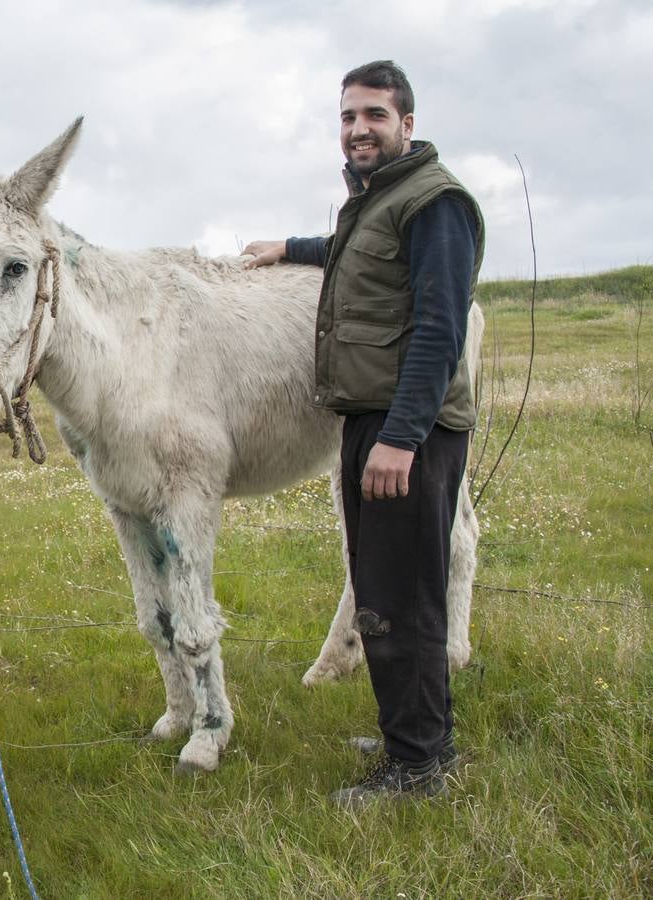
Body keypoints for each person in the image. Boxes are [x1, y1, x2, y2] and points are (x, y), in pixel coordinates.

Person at [243, 60, 484, 806]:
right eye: (348, 117)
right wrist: (288, 247)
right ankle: (415, 734)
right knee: (385, 586)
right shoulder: (377, 203)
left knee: (405, 594)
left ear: (407, 124)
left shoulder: (435, 203)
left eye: (375, 115)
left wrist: (402, 438)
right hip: (370, 419)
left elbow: (441, 329)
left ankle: (416, 770)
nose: (359, 129)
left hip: (405, 428)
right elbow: (353, 258)